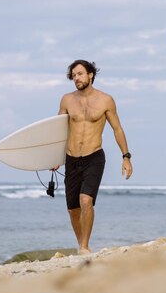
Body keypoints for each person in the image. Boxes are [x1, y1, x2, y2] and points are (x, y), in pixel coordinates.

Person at [56, 60, 133, 255]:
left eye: (80, 74)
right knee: (73, 209)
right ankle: (82, 243)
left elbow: (117, 129)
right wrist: (53, 157)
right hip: (71, 158)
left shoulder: (105, 100)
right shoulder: (66, 100)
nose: (77, 78)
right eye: (73, 76)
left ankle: (83, 247)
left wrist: (126, 156)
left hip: (94, 157)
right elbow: (57, 130)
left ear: (90, 75)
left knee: (85, 201)